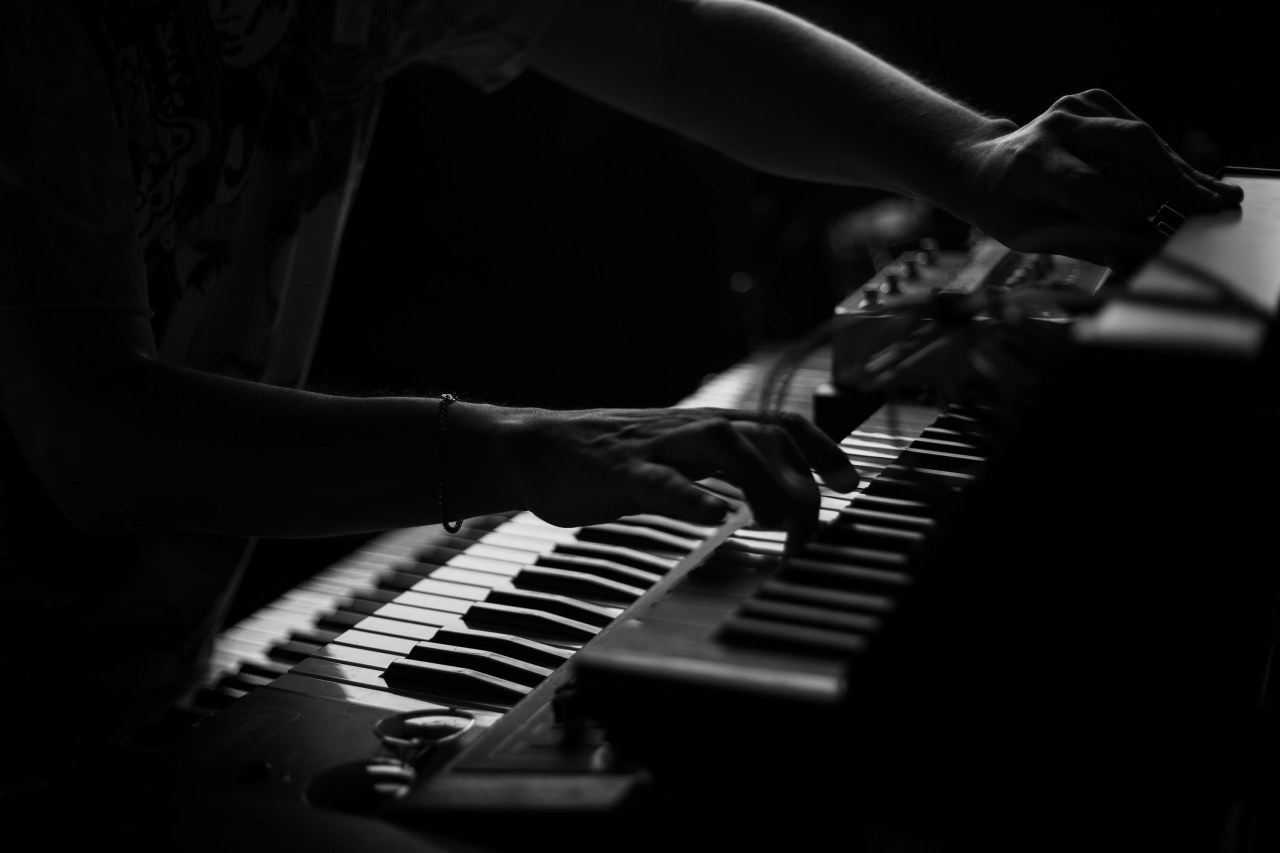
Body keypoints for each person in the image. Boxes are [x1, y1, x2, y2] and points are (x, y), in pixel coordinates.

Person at [0, 0, 1242, 825]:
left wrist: (973, 158)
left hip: (140, 696)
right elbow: (95, 437)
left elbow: (667, 34)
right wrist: (527, 448)